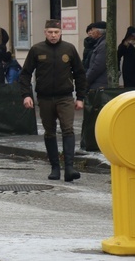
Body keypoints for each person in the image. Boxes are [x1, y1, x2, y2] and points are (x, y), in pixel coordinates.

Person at [19, 19, 86, 183]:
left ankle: (69, 167)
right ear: (45, 32)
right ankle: (55, 167)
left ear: (61, 32)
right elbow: (25, 74)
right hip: (45, 98)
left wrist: (81, 97)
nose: (53, 35)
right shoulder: (37, 50)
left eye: (56, 32)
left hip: (65, 97)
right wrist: (26, 95)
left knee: (68, 129)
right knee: (49, 132)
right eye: (50, 32)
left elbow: (80, 73)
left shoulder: (69, 49)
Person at [86, 21, 107, 91]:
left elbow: (97, 67)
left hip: (99, 85)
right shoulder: (99, 43)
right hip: (98, 83)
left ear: (98, 32)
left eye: (92, 30)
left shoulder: (103, 45)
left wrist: (86, 80)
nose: (91, 32)